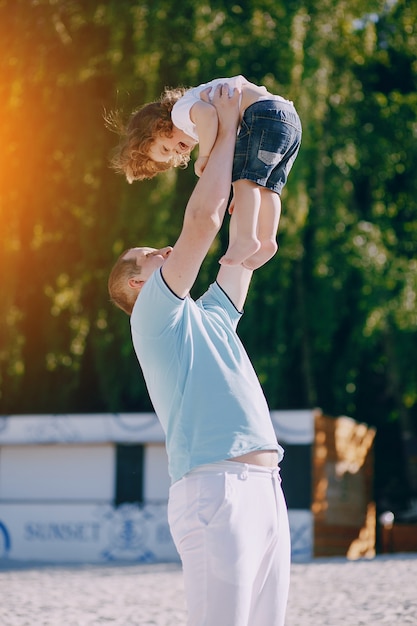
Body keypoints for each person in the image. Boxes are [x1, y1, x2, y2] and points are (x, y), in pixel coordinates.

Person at [108, 85, 290, 626]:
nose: (162, 251)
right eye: (149, 255)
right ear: (136, 285)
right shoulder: (152, 316)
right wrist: (228, 132)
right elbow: (203, 222)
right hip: (215, 490)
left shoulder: (207, 317)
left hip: (264, 485)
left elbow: (241, 256)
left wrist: (265, 159)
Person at [107, 74, 302, 270]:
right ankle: (267, 241)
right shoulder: (189, 115)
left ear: (158, 125)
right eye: (172, 155)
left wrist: (205, 156)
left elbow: (207, 115)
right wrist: (245, 198)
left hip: (264, 115)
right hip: (287, 118)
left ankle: (247, 239)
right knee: (267, 188)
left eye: (166, 148)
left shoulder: (180, 112)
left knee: (246, 181)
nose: (177, 151)